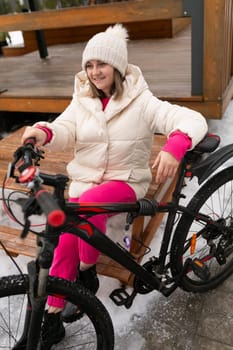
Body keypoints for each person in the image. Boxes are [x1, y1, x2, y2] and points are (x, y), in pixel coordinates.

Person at [21, 23, 208, 349]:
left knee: (88, 204)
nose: (94, 72)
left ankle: (87, 272)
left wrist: (175, 145)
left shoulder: (142, 100)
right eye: (89, 65)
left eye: (101, 64)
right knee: (65, 236)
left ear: (118, 66)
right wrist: (44, 133)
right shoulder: (82, 99)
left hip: (125, 181)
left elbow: (191, 119)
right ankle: (50, 316)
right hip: (86, 182)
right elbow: (65, 126)